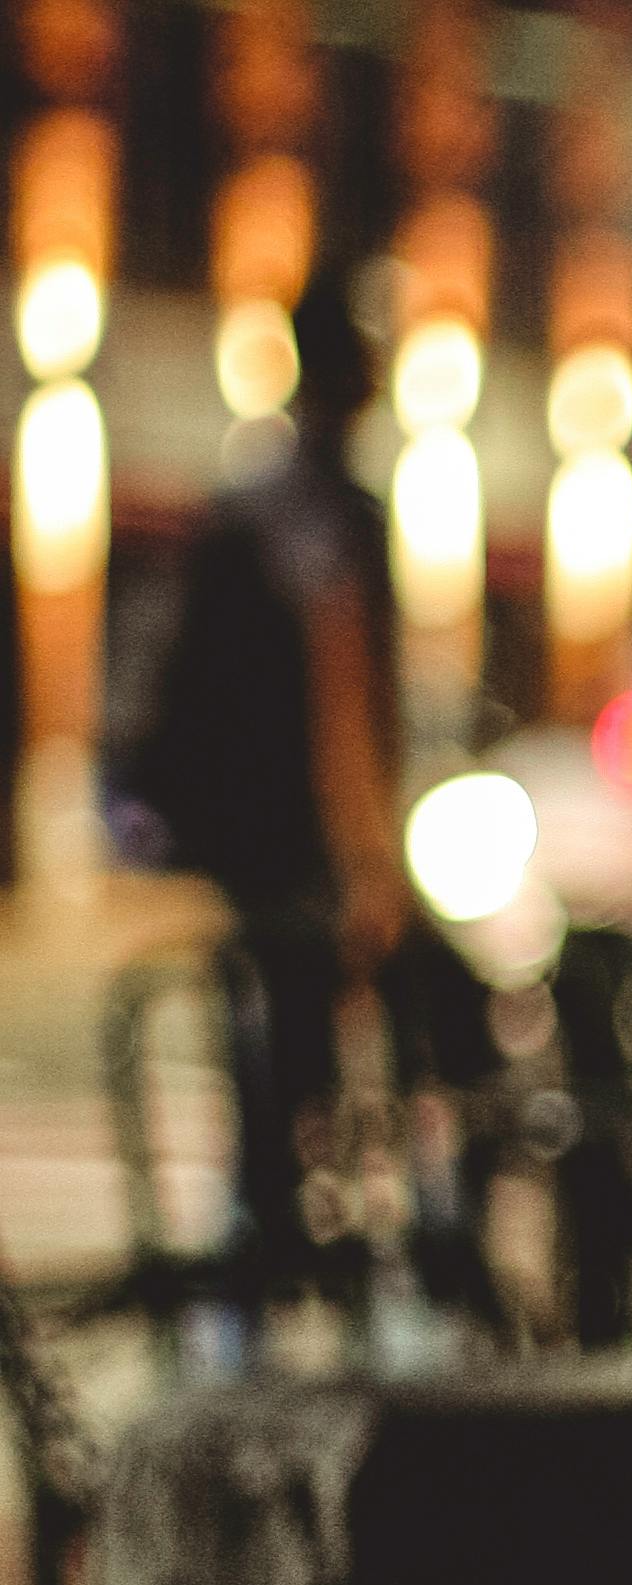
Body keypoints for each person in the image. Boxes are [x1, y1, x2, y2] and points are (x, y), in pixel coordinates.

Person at [126, 287, 413, 1295]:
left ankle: (268, 1214)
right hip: (306, 836)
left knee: (263, 1018)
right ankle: (302, 1228)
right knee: (314, 1021)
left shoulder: (243, 503)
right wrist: (373, 856)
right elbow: (344, 697)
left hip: (243, 828)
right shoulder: (336, 508)